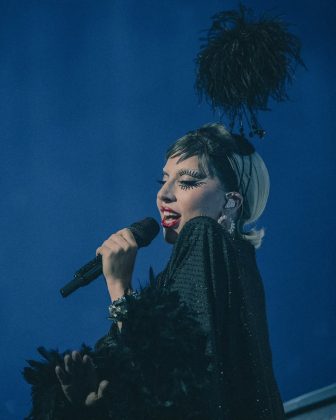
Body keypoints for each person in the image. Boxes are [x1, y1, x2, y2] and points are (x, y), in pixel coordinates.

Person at [24, 123, 285, 420]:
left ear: (232, 202)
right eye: (163, 181)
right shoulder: (233, 262)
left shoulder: (204, 234)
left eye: (186, 182)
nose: (163, 194)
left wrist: (119, 286)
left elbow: (177, 379)